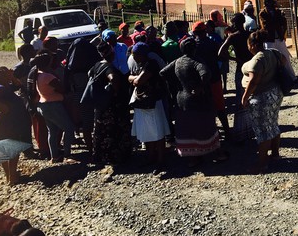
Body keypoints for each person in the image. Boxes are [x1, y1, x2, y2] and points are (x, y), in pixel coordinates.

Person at [160, 37, 224, 167]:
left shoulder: (177, 61)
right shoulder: (196, 61)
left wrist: (178, 84)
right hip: (199, 100)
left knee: (188, 128)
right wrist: (200, 86)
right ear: (194, 49)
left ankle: (193, 157)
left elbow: (163, 72)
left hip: (182, 99)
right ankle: (216, 153)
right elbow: (205, 74)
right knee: (205, 125)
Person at [241, 30, 284, 174]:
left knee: (262, 130)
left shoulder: (257, 59)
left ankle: (262, 163)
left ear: (252, 44)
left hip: (262, 97)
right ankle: (275, 154)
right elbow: (283, 60)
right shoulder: (273, 52)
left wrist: (245, 97)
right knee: (273, 123)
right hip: (275, 93)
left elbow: (253, 80)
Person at [86, 43, 132, 167]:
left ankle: (101, 155)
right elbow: (113, 79)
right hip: (112, 106)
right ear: (111, 54)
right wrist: (114, 91)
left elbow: (89, 75)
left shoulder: (96, 65)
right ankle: (115, 156)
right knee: (113, 130)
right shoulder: (109, 67)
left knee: (101, 130)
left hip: (100, 105)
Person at [128, 43, 169, 174]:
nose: (133, 57)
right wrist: (134, 78)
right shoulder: (142, 65)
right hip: (143, 103)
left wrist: (133, 78)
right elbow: (133, 78)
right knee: (147, 130)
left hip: (153, 103)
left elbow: (137, 81)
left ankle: (161, 160)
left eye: (135, 54)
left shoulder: (151, 65)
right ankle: (151, 157)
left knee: (158, 131)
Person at [0, 67, 31, 185]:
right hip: (7, 123)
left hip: (6, 122)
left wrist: (12, 77)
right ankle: (13, 177)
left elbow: (19, 85)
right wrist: (2, 107)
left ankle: (10, 176)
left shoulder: (4, 86)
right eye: (8, 74)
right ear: (3, 77)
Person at [33, 52, 76, 164]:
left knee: (52, 131)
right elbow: (61, 88)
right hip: (53, 105)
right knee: (69, 128)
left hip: (43, 105)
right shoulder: (48, 76)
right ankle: (67, 154)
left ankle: (54, 156)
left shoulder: (38, 74)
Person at [192, 21, 228, 136]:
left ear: (194, 32)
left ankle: (210, 132)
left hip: (200, 82)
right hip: (214, 79)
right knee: (220, 107)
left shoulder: (192, 47)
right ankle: (227, 131)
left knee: (204, 108)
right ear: (205, 31)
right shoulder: (212, 44)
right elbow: (223, 57)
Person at [218, 13, 253, 105]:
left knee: (240, 96)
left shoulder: (233, 37)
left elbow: (220, 52)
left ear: (234, 23)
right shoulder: (250, 35)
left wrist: (234, 58)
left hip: (240, 67)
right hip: (253, 67)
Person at [259, 0, 296, 81]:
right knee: (270, 59)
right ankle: (272, 79)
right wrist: (277, 22)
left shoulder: (278, 12)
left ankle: (292, 77)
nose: (274, 4)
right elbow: (266, 25)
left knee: (285, 56)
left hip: (279, 38)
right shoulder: (263, 13)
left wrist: (282, 32)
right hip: (269, 39)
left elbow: (283, 23)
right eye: (272, 3)